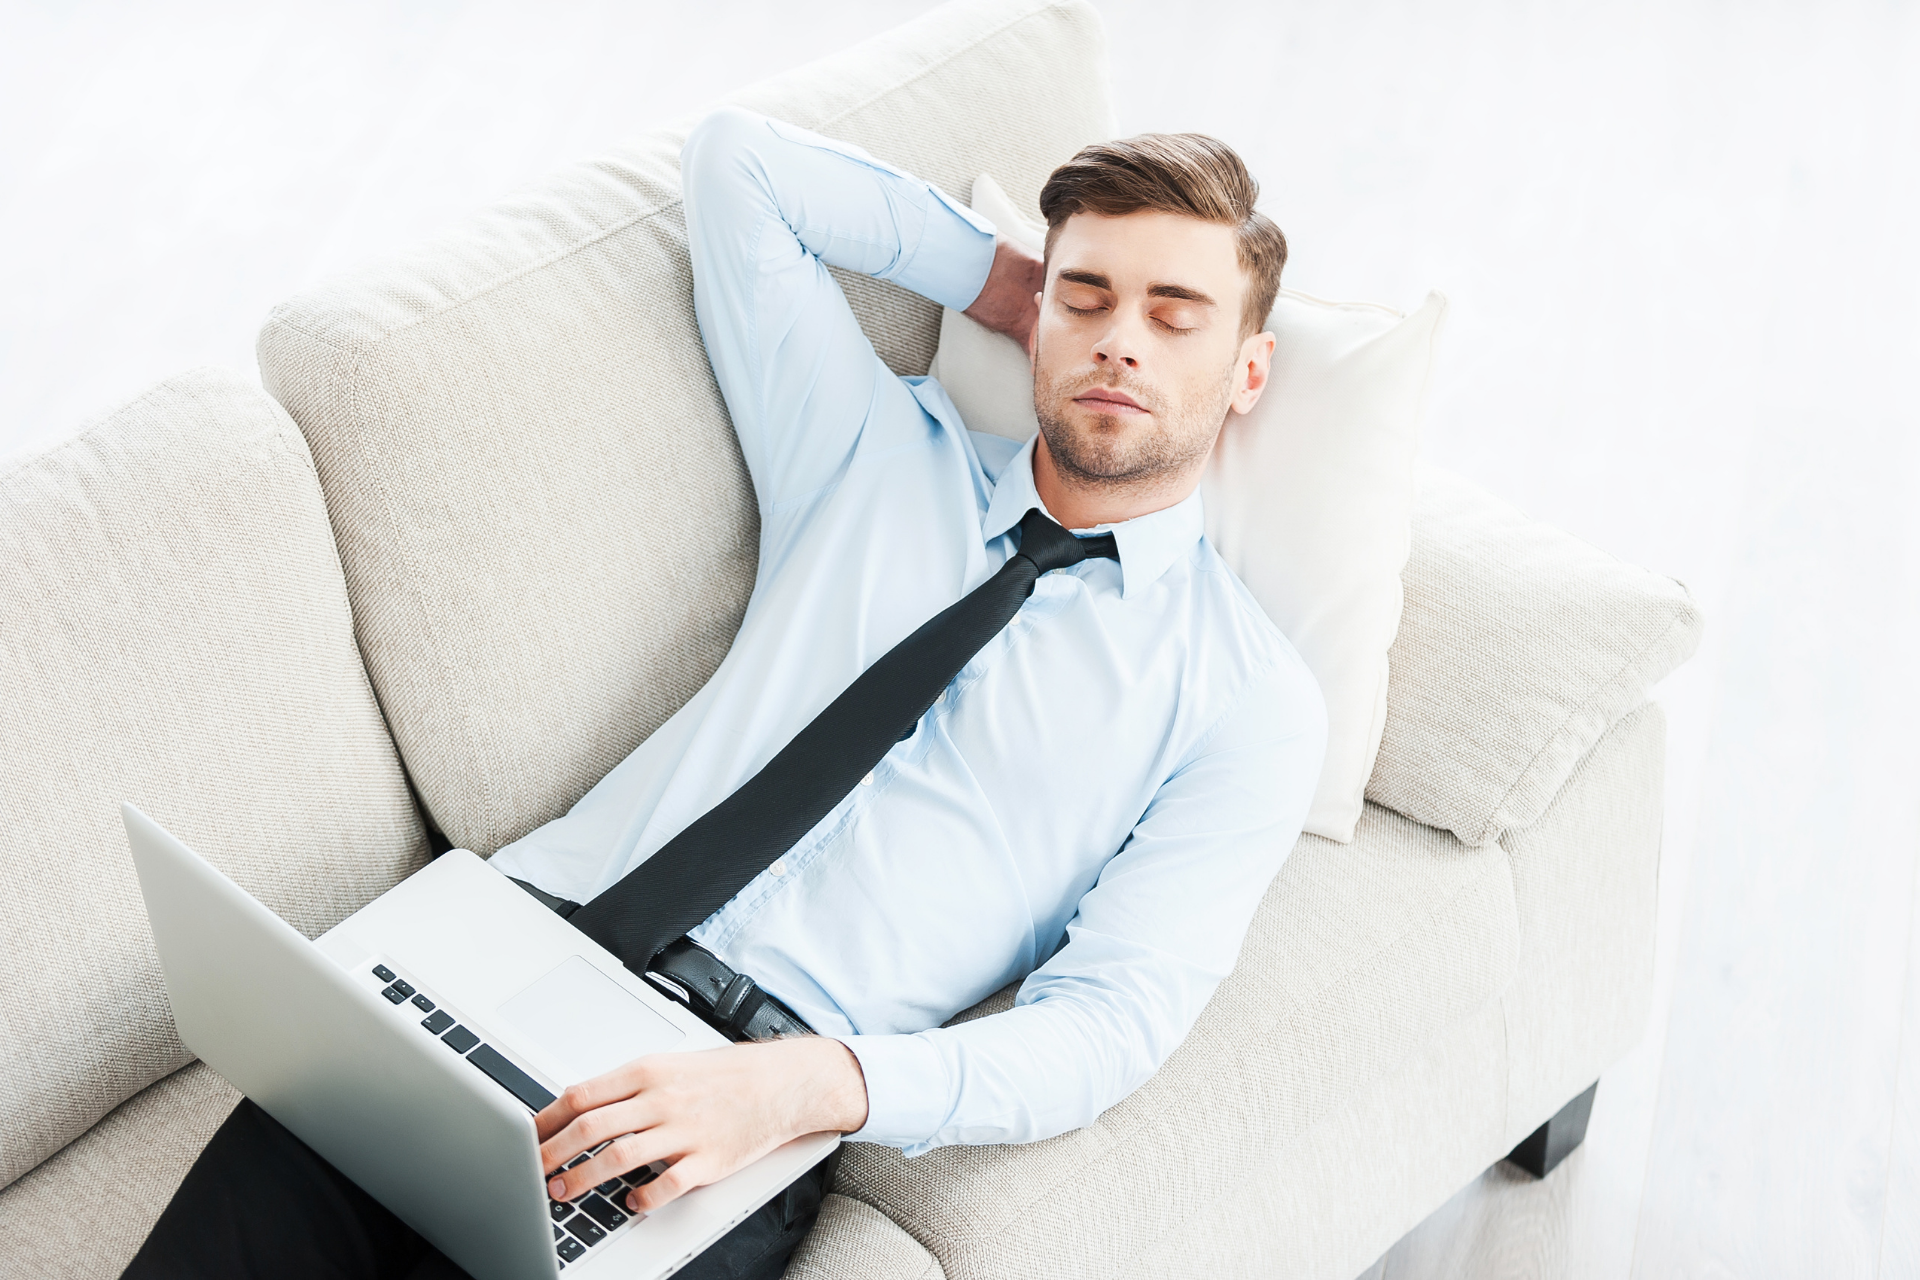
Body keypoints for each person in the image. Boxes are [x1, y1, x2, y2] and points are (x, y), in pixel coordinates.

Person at [124, 107, 1325, 1280]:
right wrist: (1007, 283)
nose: (1122, 342)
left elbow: (1110, 1023)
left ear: (1249, 368)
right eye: (1091, 299)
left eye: (1177, 317)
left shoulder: (1246, 701)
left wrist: (812, 1084)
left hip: (728, 1095)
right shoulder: (873, 460)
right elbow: (740, 168)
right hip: (502, 948)